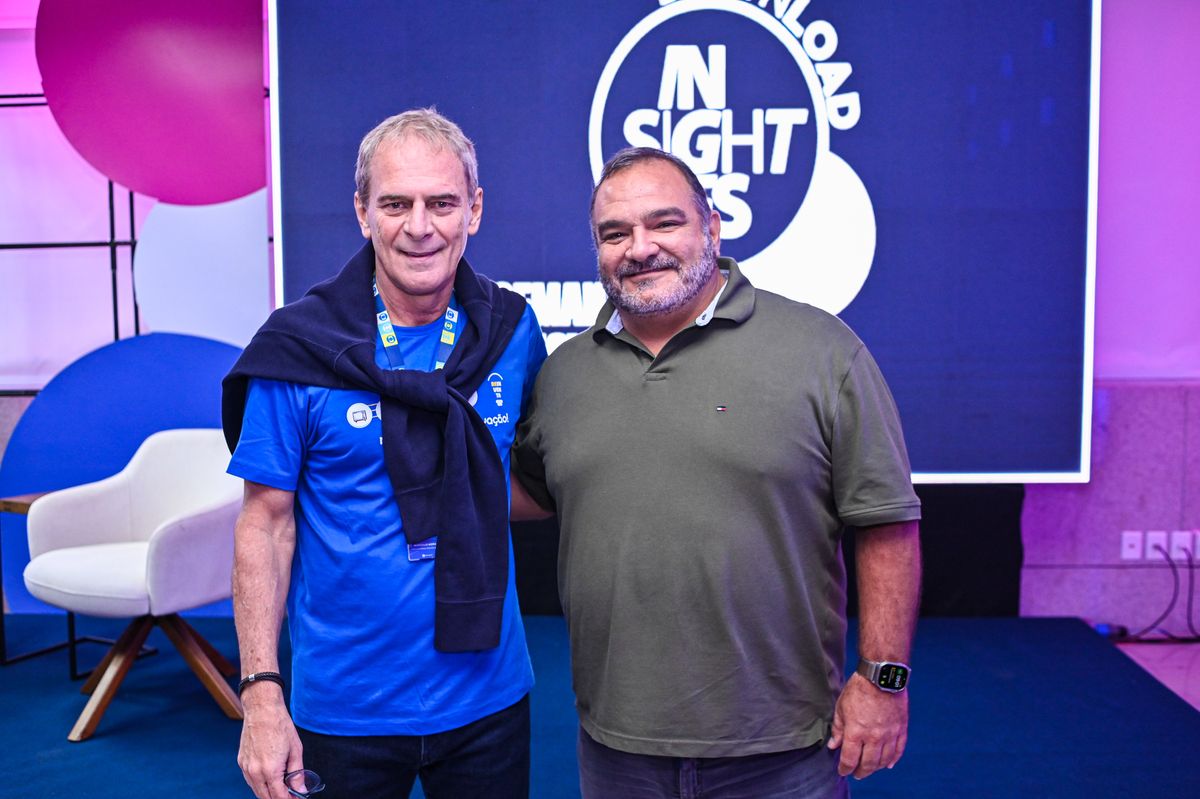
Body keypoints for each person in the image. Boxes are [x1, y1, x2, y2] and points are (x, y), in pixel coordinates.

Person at [511, 147, 922, 798]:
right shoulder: (564, 376)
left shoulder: (823, 352)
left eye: (664, 222)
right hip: (618, 750)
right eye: (615, 233)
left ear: (712, 227)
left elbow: (887, 524)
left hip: (784, 749)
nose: (640, 247)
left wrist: (883, 680)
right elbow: (530, 493)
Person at [222, 108, 546, 799]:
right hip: (344, 710)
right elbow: (266, 525)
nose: (419, 226)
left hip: (489, 697)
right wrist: (261, 693)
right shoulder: (298, 348)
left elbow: (534, 477)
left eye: (442, 203)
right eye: (396, 204)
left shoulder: (512, 332)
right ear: (363, 212)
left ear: (474, 210)